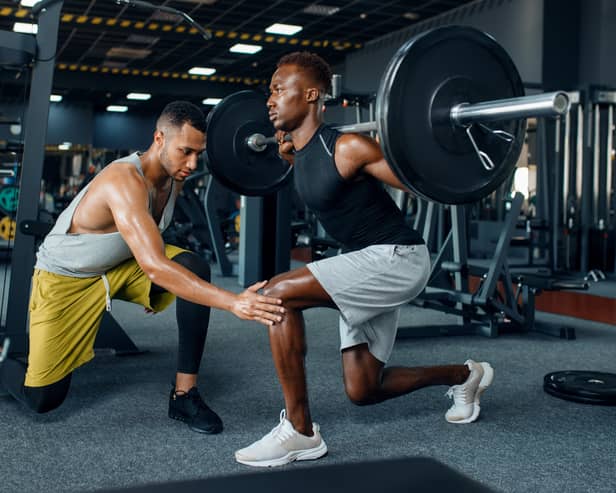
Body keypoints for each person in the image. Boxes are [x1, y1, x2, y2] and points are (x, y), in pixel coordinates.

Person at [234, 52, 494, 467]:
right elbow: (306, 168)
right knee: (364, 389)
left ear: (313, 95)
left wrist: (446, 139)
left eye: (280, 90)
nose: (270, 100)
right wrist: (289, 154)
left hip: (397, 258)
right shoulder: (296, 153)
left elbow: (424, 182)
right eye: (270, 91)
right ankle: (465, 376)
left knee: (276, 295)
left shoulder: (349, 146)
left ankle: (299, 432)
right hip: (367, 263)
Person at [0, 101, 284, 434]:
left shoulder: (173, 176)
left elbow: (155, 249)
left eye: (198, 154)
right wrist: (233, 301)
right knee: (43, 398)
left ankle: (184, 394)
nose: (192, 164)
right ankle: (4, 365)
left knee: (193, 265)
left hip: (121, 264)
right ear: (159, 139)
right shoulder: (123, 180)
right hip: (67, 279)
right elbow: (155, 265)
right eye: (185, 151)